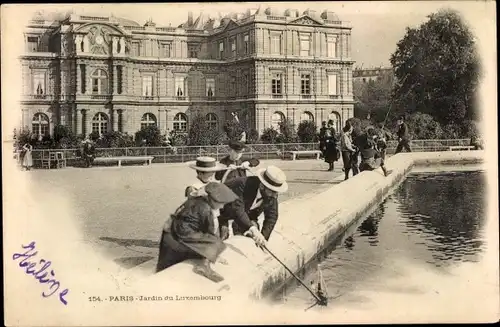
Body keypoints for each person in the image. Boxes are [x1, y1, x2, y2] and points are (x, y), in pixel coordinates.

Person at [156, 182, 239, 283]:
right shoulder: (206, 209)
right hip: (181, 233)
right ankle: (204, 267)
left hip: (169, 233)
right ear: (213, 200)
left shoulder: (196, 201)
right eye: (221, 203)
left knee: (164, 265)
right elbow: (210, 232)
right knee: (216, 242)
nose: (222, 207)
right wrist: (215, 254)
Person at [218, 166, 288, 244]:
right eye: (272, 191)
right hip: (220, 211)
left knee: (253, 237)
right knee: (221, 237)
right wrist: (252, 228)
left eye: (276, 192)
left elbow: (272, 217)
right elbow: (237, 209)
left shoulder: (271, 195)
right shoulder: (242, 185)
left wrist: (262, 238)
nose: (274, 196)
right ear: (262, 186)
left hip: (244, 215)